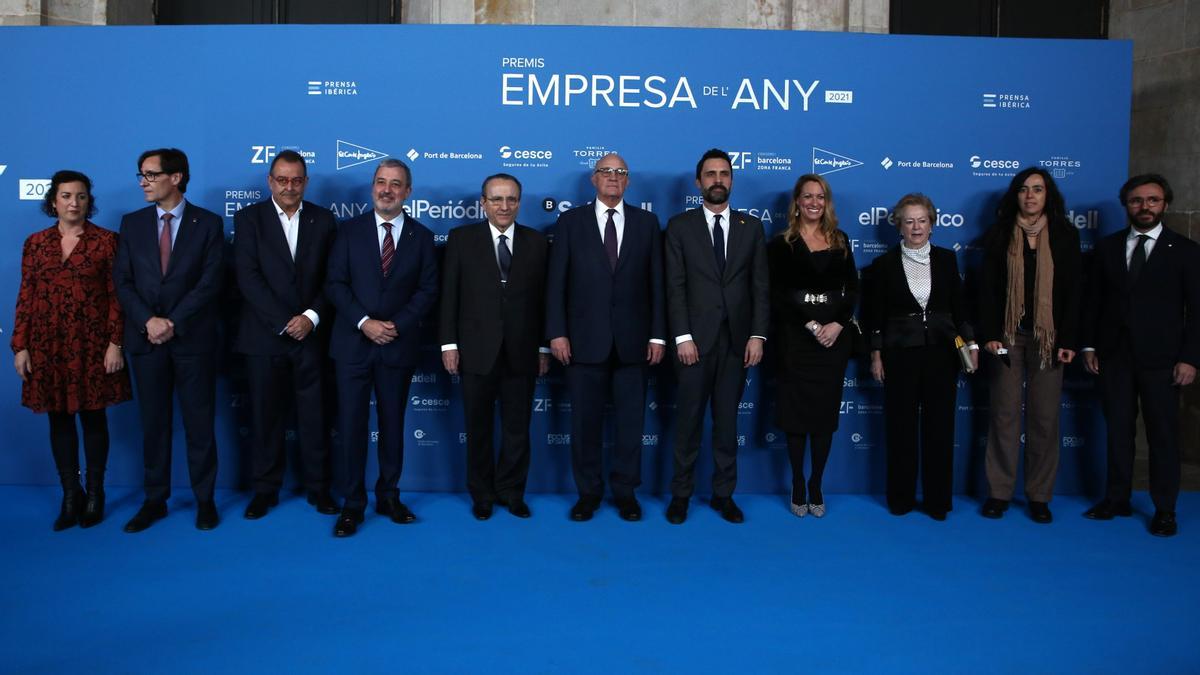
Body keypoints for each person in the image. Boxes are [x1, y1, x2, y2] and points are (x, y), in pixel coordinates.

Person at [545, 154, 665, 522]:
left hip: (634, 343)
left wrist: (659, 336)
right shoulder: (570, 222)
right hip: (582, 342)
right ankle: (588, 494)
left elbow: (658, 285)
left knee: (631, 425)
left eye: (621, 172)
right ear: (593, 180)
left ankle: (626, 493)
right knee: (585, 425)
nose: (613, 177)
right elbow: (556, 285)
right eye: (606, 172)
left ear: (627, 182)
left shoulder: (647, 223)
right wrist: (557, 333)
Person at [113, 148, 226, 532]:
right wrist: (148, 320)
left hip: (192, 340)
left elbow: (210, 282)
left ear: (175, 178)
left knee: (199, 424)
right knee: (153, 424)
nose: (143, 182)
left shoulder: (208, 223)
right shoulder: (131, 224)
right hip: (146, 340)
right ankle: (154, 500)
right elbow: (123, 282)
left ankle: (205, 500)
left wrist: (172, 321)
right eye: (141, 174)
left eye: (150, 174)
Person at [11, 170, 131, 530]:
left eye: (80, 196)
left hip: (94, 344)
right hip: (48, 346)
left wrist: (115, 342)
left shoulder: (108, 242)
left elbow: (117, 298)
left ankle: (95, 494)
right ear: (53, 201)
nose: (73, 203)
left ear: (88, 201)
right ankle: (70, 494)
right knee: (58, 418)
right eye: (66, 196)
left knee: (94, 417)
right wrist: (21, 346)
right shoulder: (35, 244)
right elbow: (26, 298)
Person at [1082, 174, 1200, 537]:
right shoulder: (1107, 248)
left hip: (1163, 361)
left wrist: (1190, 358)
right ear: (1126, 205)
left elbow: (1196, 311)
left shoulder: (1185, 251)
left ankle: (1165, 508)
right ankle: (1116, 498)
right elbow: (1093, 304)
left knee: (1163, 435)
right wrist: (1089, 346)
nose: (1144, 207)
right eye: (1136, 200)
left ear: (1165, 204)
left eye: (1152, 200)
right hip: (1114, 357)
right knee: (1118, 431)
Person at [325, 159, 437, 538]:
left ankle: (389, 496)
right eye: (380, 182)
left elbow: (427, 291)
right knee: (352, 427)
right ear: (372, 187)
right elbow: (335, 284)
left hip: (397, 346)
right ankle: (352, 505)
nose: (386, 190)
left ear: (407, 192)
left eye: (395, 184)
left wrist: (396, 326)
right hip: (353, 344)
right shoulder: (348, 231)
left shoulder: (422, 237)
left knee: (392, 426)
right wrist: (364, 323)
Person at [664, 148, 769, 524]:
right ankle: (681, 495)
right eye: (710, 175)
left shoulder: (751, 228)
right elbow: (674, 287)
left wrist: (757, 335)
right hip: (693, 343)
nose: (718, 181)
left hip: (737, 344)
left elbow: (760, 286)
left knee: (727, 425)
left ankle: (724, 495)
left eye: (724, 174)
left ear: (732, 180)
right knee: (688, 423)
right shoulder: (679, 227)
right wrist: (681, 337)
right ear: (698, 182)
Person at [233, 149, 338, 520]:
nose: (289, 186)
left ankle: (320, 489)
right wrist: (284, 320)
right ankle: (264, 490)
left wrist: (310, 317)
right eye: (282, 179)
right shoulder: (248, 219)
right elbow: (247, 277)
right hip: (264, 337)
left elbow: (334, 278)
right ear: (270, 181)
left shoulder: (324, 220)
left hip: (312, 336)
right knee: (264, 419)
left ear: (306, 182)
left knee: (316, 418)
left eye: (296, 180)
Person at [440, 174, 549, 521]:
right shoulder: (461, 239)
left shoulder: (537, 242)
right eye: (497, 199)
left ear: (520, 202)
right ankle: (482, 495)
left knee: (518, 430)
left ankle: (512, 492)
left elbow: (546, 301)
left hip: (523, 351)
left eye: (511, 199)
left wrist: (544, 348)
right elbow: (448, 298)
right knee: (479, 429)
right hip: (475, 352)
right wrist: (448, 344)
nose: (504, 206)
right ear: (483, 202)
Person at [977, 167, 1081, 524]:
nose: (1030, 196)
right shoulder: (998, 234)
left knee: (1044, 418)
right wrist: (989, 333)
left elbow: (1073, 293)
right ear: (1015, 195)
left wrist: (1068, 340)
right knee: (1004, 415)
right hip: (1007, 336)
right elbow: (987, 289)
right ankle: (999, 492)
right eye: (1024, 190)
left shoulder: (1065, 236)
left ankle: (1039, 496)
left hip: (1049, 338)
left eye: (1037, 189)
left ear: (1047, 195)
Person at [865, 193, 977, 521]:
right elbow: (874, 316)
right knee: (900, 430)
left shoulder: (947, 260)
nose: (916, 227)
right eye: (909, 220)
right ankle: (900, 498)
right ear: (899, 226)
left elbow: (960, 308)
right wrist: (876, 354)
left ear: (932, 224)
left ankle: (937, 501)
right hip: (899, 355)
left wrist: (970, 343)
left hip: (941, 354)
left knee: (940, 429)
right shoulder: (883, 265)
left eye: (922, 220)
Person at [766, 174, 858, 519]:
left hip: (833, 342)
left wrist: (837, 324)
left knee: (823, 418)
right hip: (795, 339)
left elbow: (853, 289)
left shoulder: (841, 240)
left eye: (820, 197)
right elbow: (775, 293)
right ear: (797, 202)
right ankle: (797, 483)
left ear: (827, 202)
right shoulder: (781, 244)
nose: (814, 203)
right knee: (795, 416)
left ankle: (817, 483)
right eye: (807, 197)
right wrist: (811, 323)